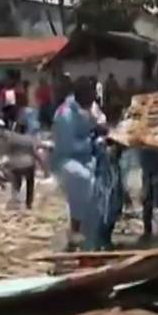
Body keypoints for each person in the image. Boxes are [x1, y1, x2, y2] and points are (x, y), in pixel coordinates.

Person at [51, 76, 102, 250]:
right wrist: (93, 139)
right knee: (84, 179)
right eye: (91, 94)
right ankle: (76, 230)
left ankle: (93, 234)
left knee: (103, 182)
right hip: (67, 160)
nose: (94, 98)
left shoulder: (89, 107)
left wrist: (100, 128)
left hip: (88, 157)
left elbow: (99, 121)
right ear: (82, 94)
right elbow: (68, 146)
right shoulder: (65, 114)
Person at [2, 120, 44, 210]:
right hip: (28, 164)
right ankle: (29, 203)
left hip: (15, 164)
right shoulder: (29, 139)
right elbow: (34, 153)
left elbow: (7, 151)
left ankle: (16, 199)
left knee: (16, 182)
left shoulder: (11, 139)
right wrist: (42, 163)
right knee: (30, 183)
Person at [139, 147, 158, 240]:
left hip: (151, 155)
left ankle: (150, 230)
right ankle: (149, 230)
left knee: (151, 194)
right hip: (152, 155)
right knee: (150, 195)